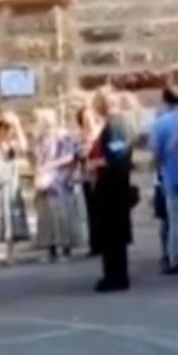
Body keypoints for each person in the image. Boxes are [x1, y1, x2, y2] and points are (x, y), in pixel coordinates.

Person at [87, 89, 136, 293]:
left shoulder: (117, 124)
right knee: (113, 235)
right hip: (114, 186)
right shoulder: (118, 122)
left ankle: (116, 277)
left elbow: (116, 155)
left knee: (113, 235)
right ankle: (114, 274)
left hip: (113, 188)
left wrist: (94, 163)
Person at [32, 108, 81, 261]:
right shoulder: (39, 139)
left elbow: (70, 156)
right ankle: (51, 249)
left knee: (61, 215)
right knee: (47, 217)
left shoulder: (62, 137)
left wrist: (50, 165)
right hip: (44, 181)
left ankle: (65, 248)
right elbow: (36, 157)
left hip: (60, 181)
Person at [0, 112, 29, 267]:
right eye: (3, 128)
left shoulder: (12, 146)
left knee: (12, 217)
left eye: (8, 128)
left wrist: (17, 124)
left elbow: (24, 147)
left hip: (10, 186)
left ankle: (10, 254)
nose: (6, 131)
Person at [150, 87, 178, 274]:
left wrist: (158, 168)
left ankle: (176, 259)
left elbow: (156, 154)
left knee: (174, 221)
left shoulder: (160, 123)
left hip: (171, 175)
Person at [75, 104, 105, 258]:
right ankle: (95, 244)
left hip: (103, 175)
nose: (88, 120)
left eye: (90, 117)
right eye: (84, 118)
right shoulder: (80, 135)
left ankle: (106, 242)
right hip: (87, 176)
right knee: (92, 211)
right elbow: (79, 154)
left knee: (104, 210)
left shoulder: (102, 131)